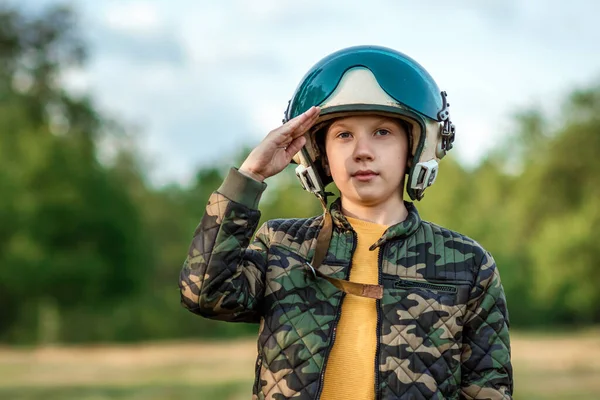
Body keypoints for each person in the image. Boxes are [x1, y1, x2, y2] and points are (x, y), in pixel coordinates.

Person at [179, 45, 513, 400]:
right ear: (318, 153)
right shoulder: (282, 245)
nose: (362, 151)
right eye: (343, 135)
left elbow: (487, 390)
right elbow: (204, 293)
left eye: (382, 132)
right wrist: (249, 177)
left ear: (415, 148)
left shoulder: (466, 263)